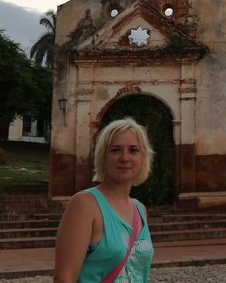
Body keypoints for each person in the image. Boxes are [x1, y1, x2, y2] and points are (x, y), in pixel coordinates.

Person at [54, 118, 155, 283]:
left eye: (133, 150)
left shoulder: (140, 209)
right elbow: (64, 278)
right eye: (115, 150)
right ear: (103, 156)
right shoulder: (85, 205)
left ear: (143, 157)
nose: (125, 157)